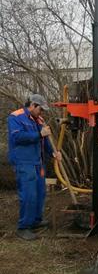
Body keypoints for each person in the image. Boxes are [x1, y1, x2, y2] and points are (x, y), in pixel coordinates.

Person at [7, 94, 61, 241]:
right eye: (40, 109)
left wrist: (54, 153)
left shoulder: (38, 119)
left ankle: (36, 220)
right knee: (29, 194)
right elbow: (17, 138)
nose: (41, 112)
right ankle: (23, 227)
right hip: (24, 162)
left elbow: (45, 140)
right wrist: (39, 133)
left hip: (38, 162)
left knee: (40, 192)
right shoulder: (16, 117)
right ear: (32, 105)